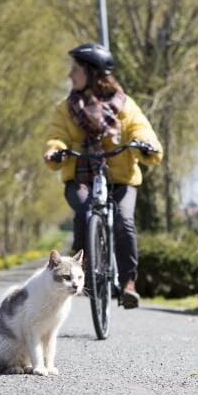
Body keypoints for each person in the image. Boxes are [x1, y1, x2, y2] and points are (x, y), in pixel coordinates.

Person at [43, 42, 163, 308]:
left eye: (75, 70)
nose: (70, 75)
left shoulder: (124, 105)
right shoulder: (66, 108)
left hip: (120, 179)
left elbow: (140, 129)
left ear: (93, 73)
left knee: (123, 220)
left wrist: (145, 143)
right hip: (81, 178)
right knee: (85, 211)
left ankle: (129, 284)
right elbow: (57, 136)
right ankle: (83, 273)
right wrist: (56, 150)